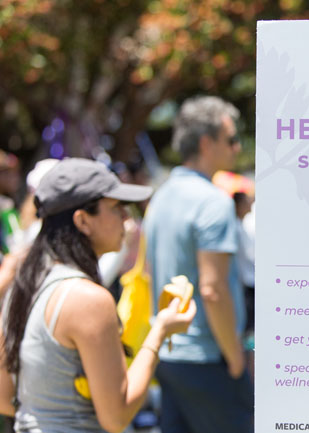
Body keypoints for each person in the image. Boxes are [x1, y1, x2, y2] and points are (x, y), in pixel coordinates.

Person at [0, 158, 196, 433]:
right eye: (116, 208)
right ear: (82, 220)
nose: (126, 218)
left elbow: (5, 399)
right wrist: (160, 332)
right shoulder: (88, 299)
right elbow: (116, 417)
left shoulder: (23, 285)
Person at [143, 95, 252, 433]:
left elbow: (148, 272)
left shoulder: (161, 196)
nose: (237, 148)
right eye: (231, 139)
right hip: (207, 357)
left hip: (169, 354)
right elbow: (213, 289)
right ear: (206, 143)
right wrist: (235, 356)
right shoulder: (213, 202)